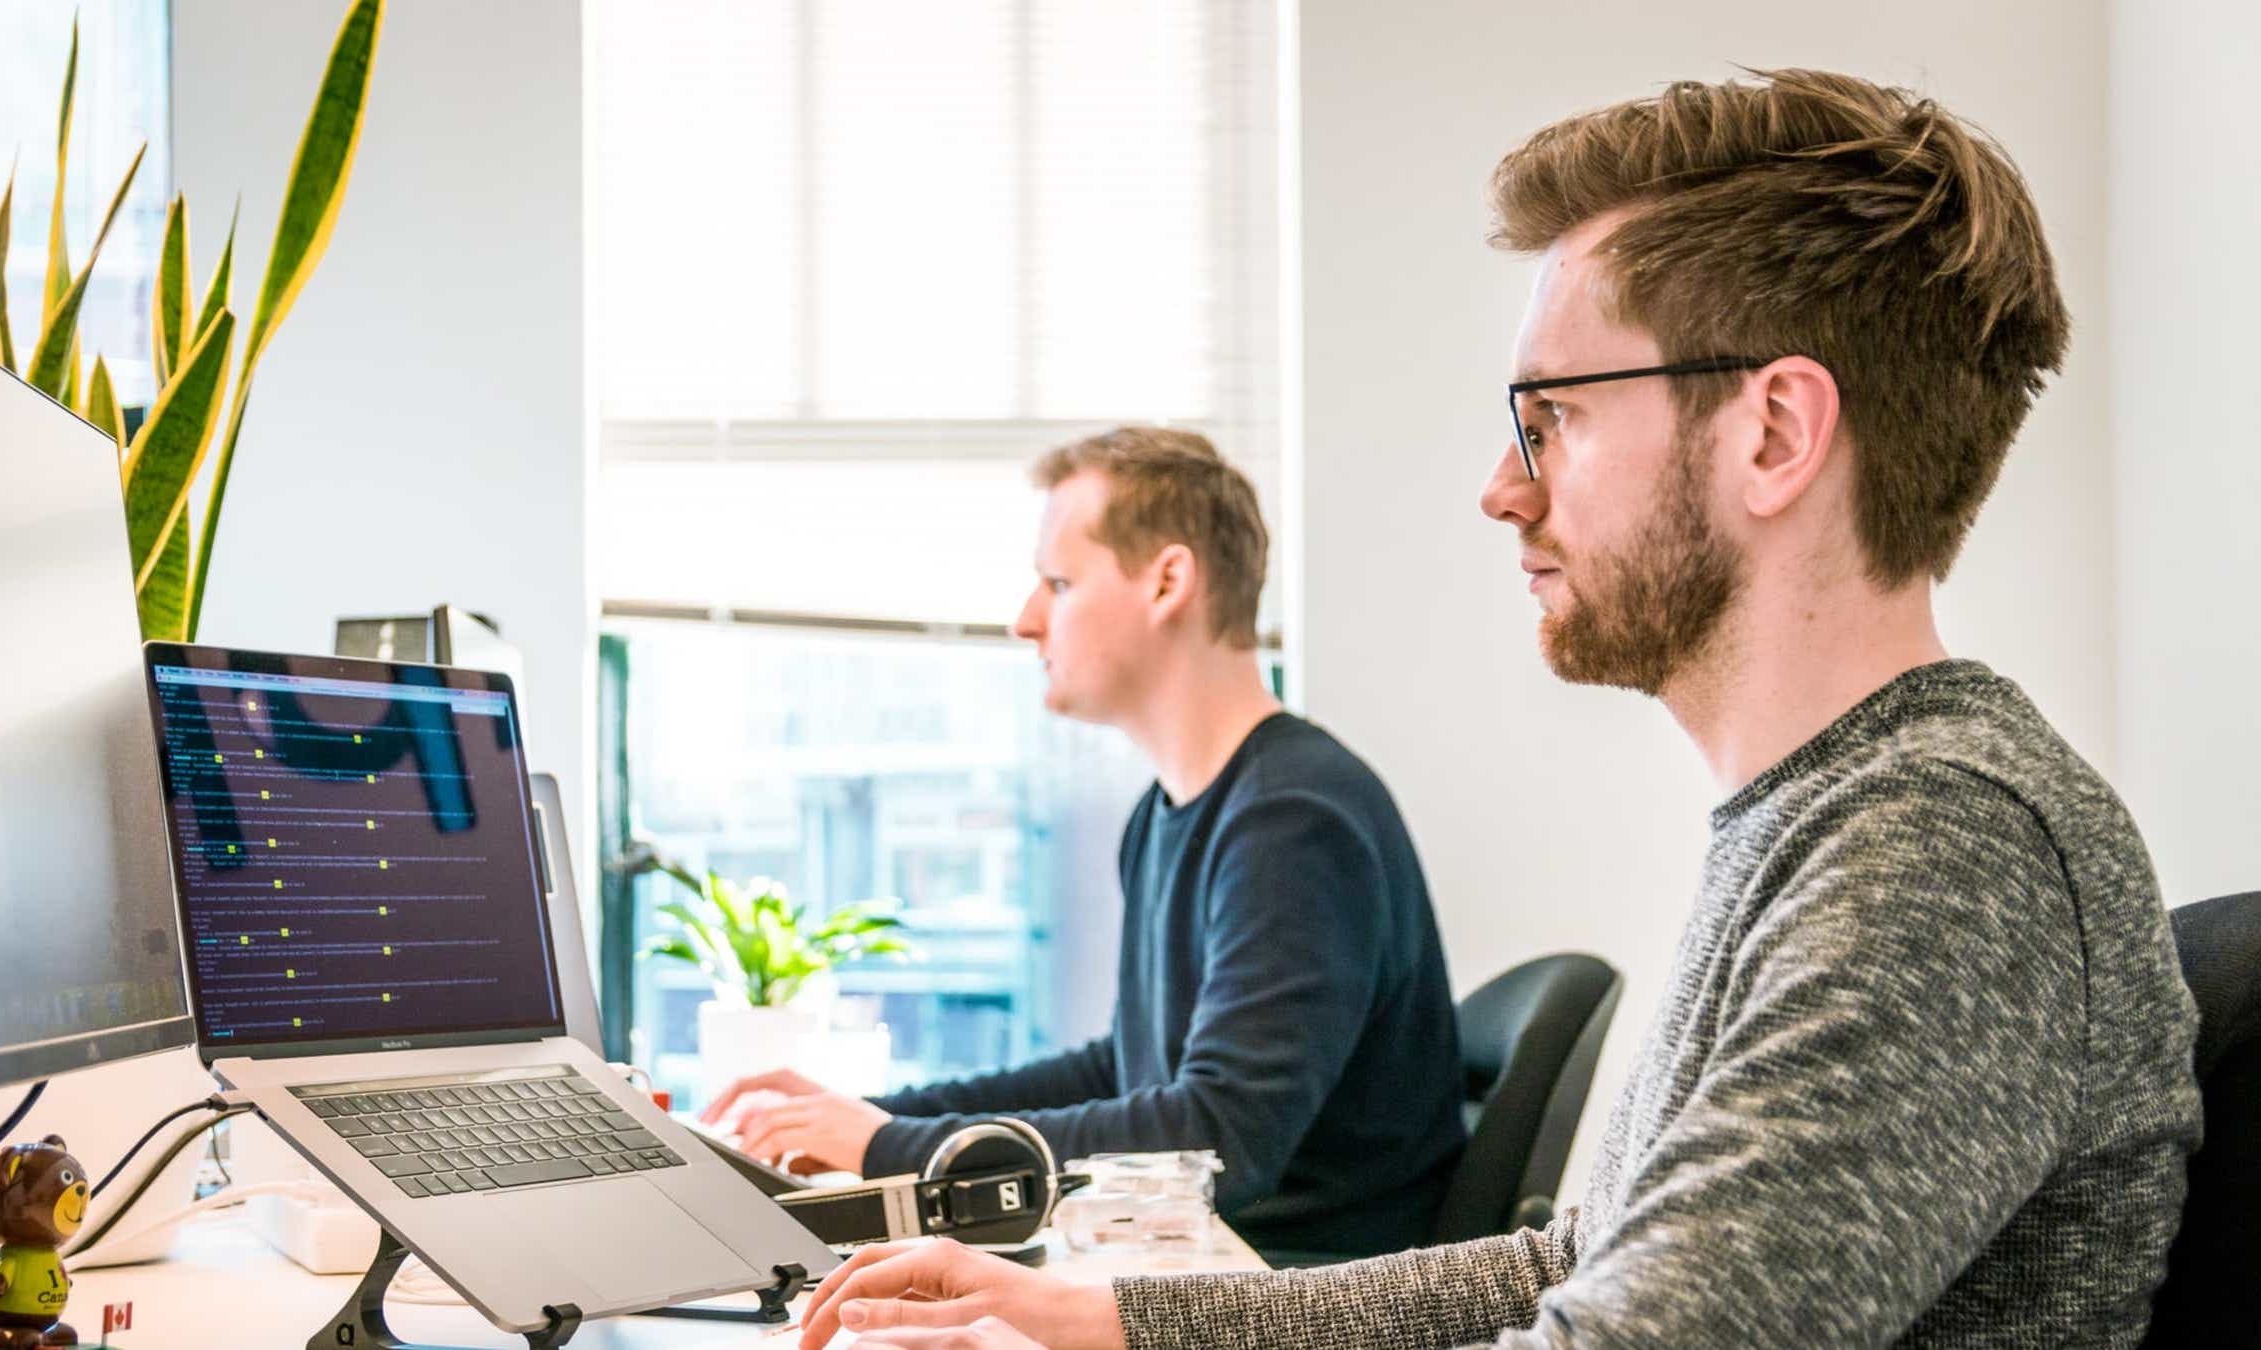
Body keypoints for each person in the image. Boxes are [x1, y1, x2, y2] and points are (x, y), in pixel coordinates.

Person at [794, 68, 2203, 1350]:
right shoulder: (1829, 818)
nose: (1503, 487)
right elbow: (1577, 1265)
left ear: (1773, 433)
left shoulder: (1942, 849)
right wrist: (1113, 1320)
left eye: (1554, 418)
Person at [704, 426, 1471, 1260]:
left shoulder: (1294, 821)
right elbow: (1127, 1071)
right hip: (1209, 1262)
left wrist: (889, 1147)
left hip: (1293, 1285)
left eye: (1059, 584)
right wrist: (875, 1118)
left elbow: (1218, 1141)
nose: (1024, 621)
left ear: (1168, 582)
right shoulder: (1171, 814)